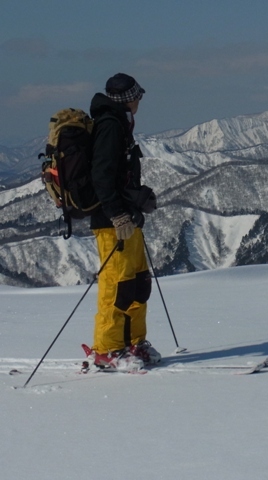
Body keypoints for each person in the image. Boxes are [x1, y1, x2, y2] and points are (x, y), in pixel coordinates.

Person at [86, 73, 160, 371]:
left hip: (127, 218)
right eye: (137, 96)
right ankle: (106, 349)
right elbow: (101, 176)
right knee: (115, 284)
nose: (139, 100)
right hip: (112, 222)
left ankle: (133, 342)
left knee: (137, 282)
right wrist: (116, 214)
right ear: (127, 98)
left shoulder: (119, 124)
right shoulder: (109, 127)